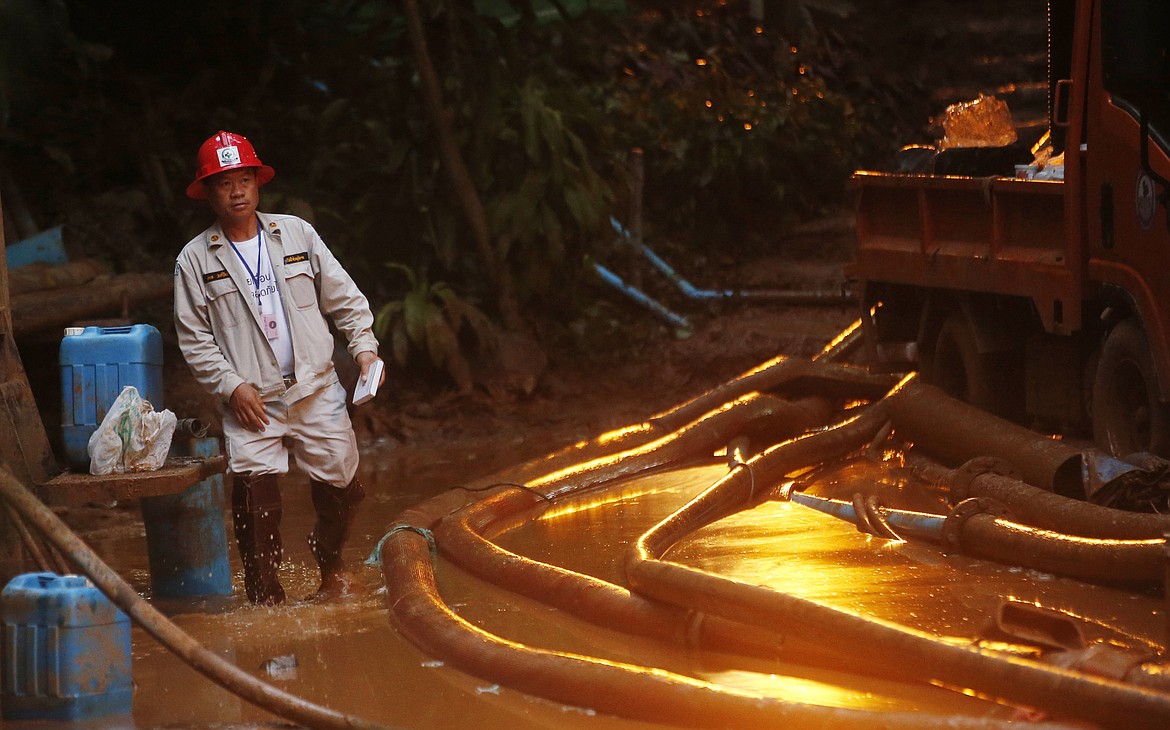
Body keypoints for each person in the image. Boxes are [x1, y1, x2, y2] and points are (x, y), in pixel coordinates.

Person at [173, 130, 384, 605]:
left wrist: (365, 349)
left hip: (316, 388)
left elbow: (344, 298)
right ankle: (266, 600)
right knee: (254, 502)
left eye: (244, 179)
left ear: (257, 183)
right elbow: (194, 338)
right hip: (252, 402)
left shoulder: (296, 233)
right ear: (207, 193)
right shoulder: (193, 260)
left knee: (345, 489)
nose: (237, 191)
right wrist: (231, 386)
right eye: (224, 183)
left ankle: (329, 566)